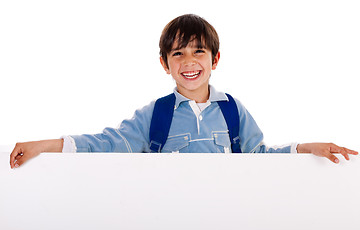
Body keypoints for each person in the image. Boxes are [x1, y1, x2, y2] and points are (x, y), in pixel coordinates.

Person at [9, 14, 358, 169]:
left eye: (198, 51)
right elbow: (106, 143)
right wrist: (43, 146)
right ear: (165, 63)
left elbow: (259, 159)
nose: (189, 61)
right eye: (178, 53)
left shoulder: (233, 111)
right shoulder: (156, 114)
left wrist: (305, 148)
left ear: (215, 58)